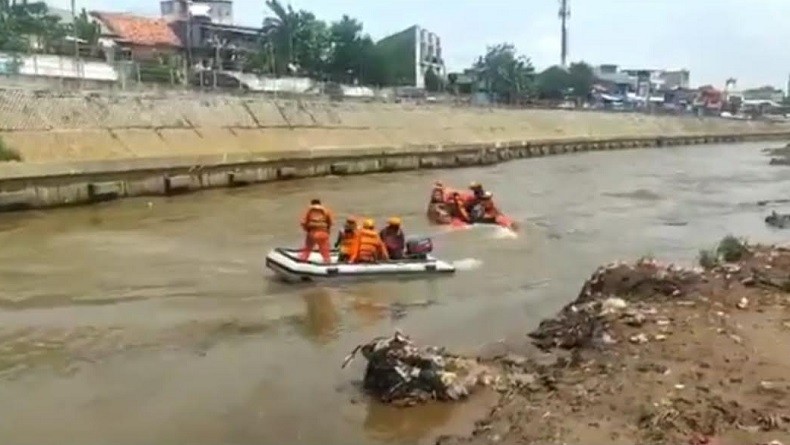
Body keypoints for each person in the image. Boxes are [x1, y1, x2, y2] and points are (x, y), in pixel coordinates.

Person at [299, 198, 333, 263]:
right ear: (320, 204)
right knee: (325, 251)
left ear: (311, 204)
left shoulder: (309, 210)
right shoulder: (326, 210)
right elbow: (330, 222)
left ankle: (302, 261)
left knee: (307, 248)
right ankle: (327, 263)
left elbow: (303, 222)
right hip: (323, 233)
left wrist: (307, 229)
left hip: (312, 232)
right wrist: (328, 231)